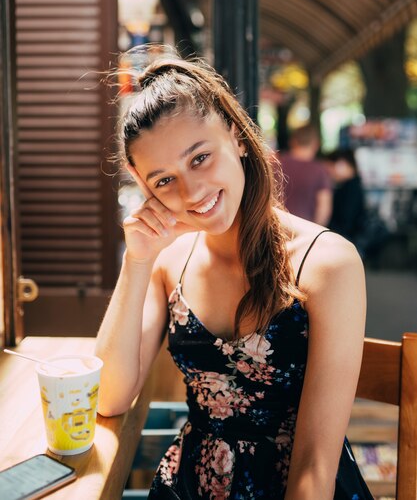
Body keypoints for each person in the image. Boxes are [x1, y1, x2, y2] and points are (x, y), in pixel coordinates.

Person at [95, 52, 373, 500]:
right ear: (141, 183)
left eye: (200, 158)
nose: (192, 192)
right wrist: (137, 261)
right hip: (191, 486)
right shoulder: (170, 262)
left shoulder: (327, 263)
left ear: (237, 135)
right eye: (163, 181)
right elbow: (109, 397)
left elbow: (315, 466)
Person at [275, 124, 332, 225]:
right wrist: (315, 232)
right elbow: (324, 208)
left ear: (293, 141)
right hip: (306, 231)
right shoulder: (319, 171)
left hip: (276, 227)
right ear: (316, 144)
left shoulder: (275, 163)